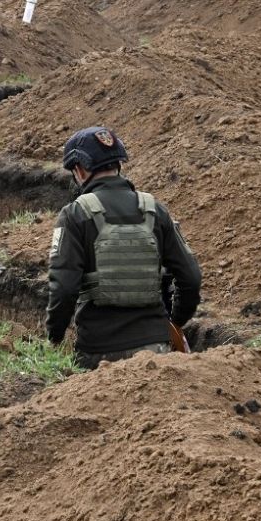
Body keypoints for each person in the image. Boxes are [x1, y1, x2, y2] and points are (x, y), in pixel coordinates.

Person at [46, 126, 201, 369]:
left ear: (79, 170)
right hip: (156, 353)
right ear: (117, 164)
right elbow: (190, 278)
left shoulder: (74, 215)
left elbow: (64, 289)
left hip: (97, 354)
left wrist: (54, 336)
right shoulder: (155, 210)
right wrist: (174, 322)